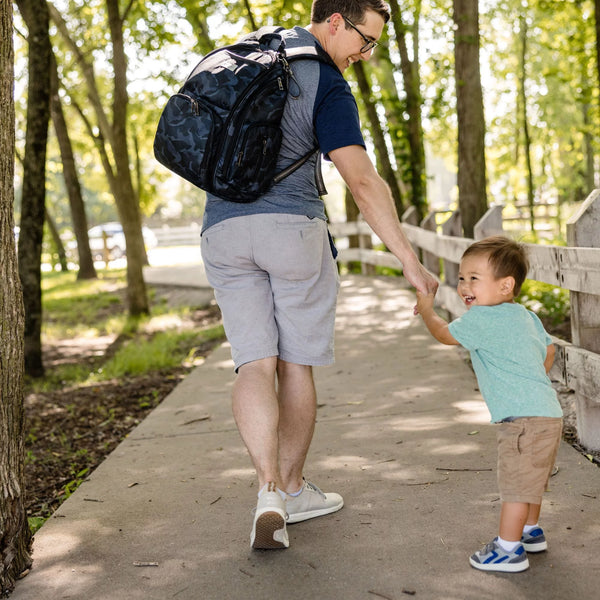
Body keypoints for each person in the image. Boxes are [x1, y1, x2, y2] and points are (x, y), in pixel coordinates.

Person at [200, 0, 438, 551]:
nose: (366, 54)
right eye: (365, 39)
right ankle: (292, 488)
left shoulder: (248, 54)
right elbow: (359, 178)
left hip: (222, 231)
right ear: (336, 20)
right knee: (297, 364)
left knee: (253, 363)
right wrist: (408, 258)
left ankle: (265, 492)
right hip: (292, 229)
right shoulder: (326, 81)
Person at [414, 236, 563, 572]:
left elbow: (443, 333)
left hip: (522, 420)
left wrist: (426, 309)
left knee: (514, 485)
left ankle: (509, 550)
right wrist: (528, 381)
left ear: (505, 285)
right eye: (462, 277)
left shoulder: (482, 318)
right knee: (532, 480)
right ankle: (530, 532)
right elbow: (549, 350)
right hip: (549, 412)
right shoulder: (526, 316)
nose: (465, 285)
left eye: (474, 278)